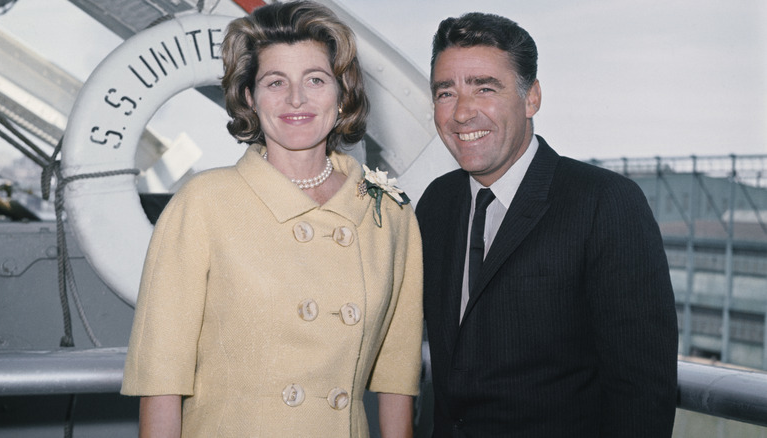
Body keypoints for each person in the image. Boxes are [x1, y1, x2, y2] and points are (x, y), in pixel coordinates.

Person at [121, 2, 423, 436]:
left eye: (315, 80)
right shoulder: (203, 204)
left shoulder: (387, 211)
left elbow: (397, 377)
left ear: (343, 95)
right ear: (249, 97)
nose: (295, 99)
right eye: (275, 82)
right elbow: (160, 383)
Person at [415, 12, 678, 438]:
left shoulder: (604, 202)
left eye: (485, 87)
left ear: (532, 98)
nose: (462, 112)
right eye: (446, 92)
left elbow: (642, 390)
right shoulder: (436, 204)